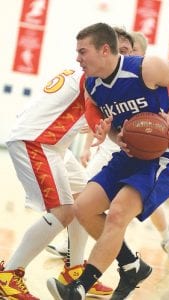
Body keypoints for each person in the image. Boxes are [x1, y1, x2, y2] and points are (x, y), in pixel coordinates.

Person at [47, 22, 169, 300]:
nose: (78, 58)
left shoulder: (145, 68)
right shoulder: (93, 84)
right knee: (83, 208)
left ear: (105, 50)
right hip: (128, 155)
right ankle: (131, 266)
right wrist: (113, 136)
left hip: (163, 158)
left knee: (117, 214)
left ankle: (79, 287)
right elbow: (110, 124)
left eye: (82, 51)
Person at [0, 69, 112, 299]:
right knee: (64, 212)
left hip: (56, 146)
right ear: (106, 48)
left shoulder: (93, 71)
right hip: (37, 141)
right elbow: (92, 107)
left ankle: (74, 270)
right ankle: (9, 274)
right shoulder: (96, 74)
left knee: (85, 200)